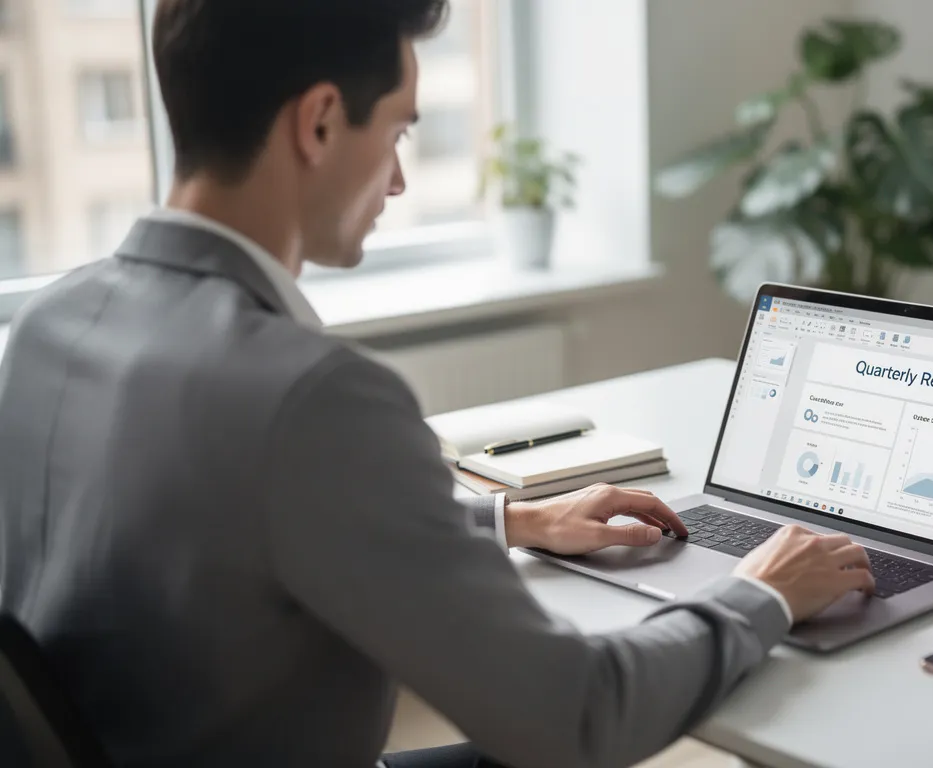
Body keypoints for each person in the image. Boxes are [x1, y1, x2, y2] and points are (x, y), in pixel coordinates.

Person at [0, 1, 875, 766]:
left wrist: (512, 519)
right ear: (319, 122)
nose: (400, 177)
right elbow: (580, 716)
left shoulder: (50, 324)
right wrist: (761, 592)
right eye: (400, 130)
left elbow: (233, 517)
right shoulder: (311, 398)